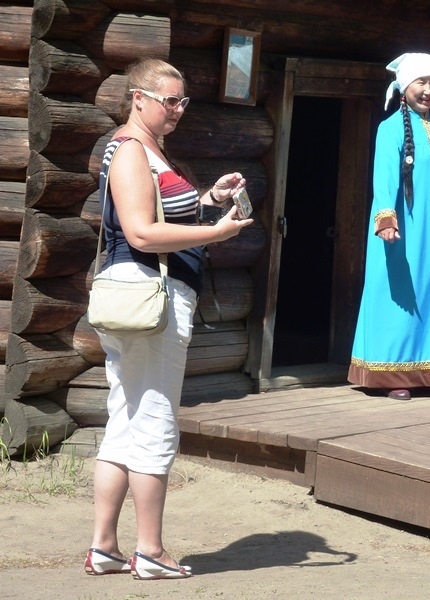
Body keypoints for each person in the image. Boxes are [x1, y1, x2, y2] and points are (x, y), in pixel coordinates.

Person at [85, 58, 253, 579]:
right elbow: (140, 233)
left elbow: (164, 214)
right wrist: (216, 234)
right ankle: (151, 551)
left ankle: (105, 547)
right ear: (139, 98)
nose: (178, 110)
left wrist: (209, 199)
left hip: (137, 298)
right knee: (155, 420)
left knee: (126, 419)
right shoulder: (133, 150)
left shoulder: (148, 150)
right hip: (148, 300)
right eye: (170, 100)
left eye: (183, 101)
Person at [348, 53, 430, 399]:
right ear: (404, 86)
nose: (428, 90)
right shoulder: (390, 128)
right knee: (400, 291)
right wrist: (385, 218)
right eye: (421, 83)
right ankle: (392, 371)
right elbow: (383, 176)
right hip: (405, 228)